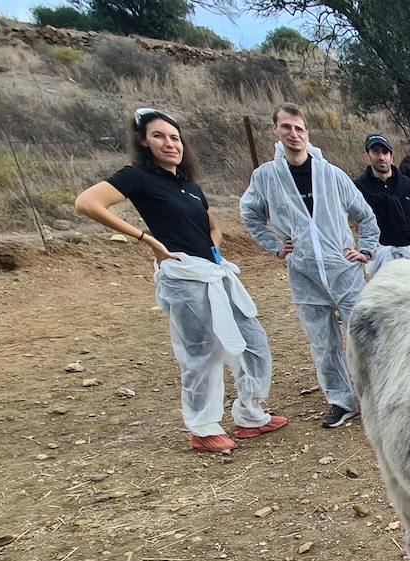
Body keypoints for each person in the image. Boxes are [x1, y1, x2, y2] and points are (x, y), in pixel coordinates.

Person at [75, 109, 284, 454]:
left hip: (213, 272)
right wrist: (148, 240)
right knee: (202, 352)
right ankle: (203, 428)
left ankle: (250, 414)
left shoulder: (189, 186)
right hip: (184, 277)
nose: (169, 143)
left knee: (252, 341)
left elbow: (211, 224)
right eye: (159, 136)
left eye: (174, 137)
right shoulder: (138, 177)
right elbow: (88, 203)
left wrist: (214, 246)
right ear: (144, 141)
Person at [240, 103, 377, 429]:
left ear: (307, 133)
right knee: (322, 341)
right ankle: (341, 401)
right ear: (276, 130)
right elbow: (249, 213)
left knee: (360, 335)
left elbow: (365, 216)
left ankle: (373, 398)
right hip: (303, 272)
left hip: (343, 270)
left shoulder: (331, 175)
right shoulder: (266, 177)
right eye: (287, 127)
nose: (294, 134)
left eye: (299, 128)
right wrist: (275, 245)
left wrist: (366, 250)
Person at [354, 132, 410, 276]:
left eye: (385, 152)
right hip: (379, 253)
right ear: (367, 155)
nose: (381, 157)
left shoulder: (409, 186)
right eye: (375, 152)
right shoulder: (359, 188)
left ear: (391, 156)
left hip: (408, 253)